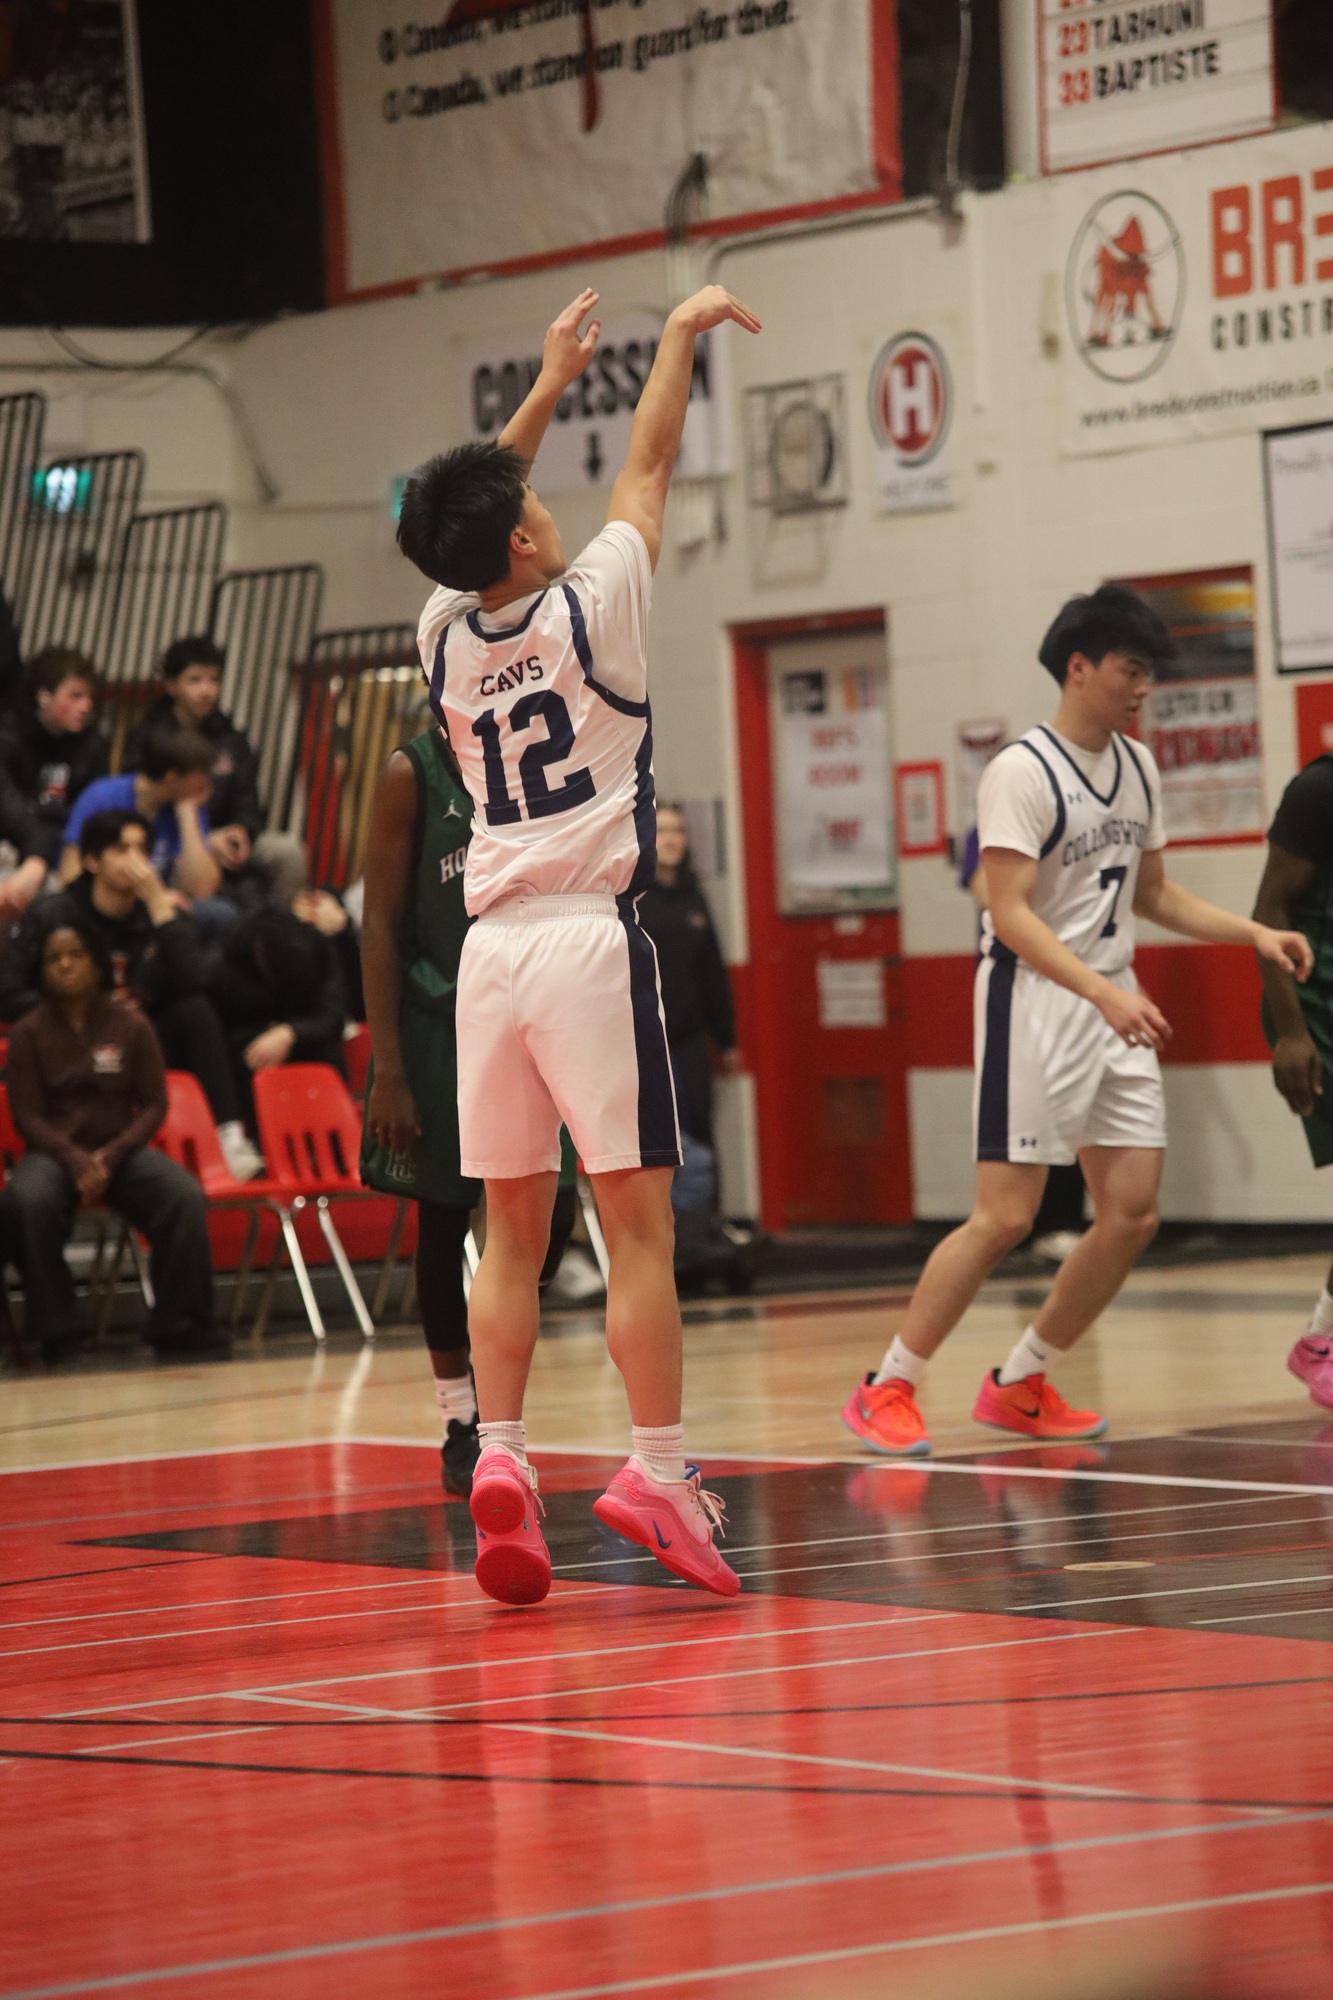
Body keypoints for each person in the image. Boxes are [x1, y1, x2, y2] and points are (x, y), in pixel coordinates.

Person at [398, 282, 761, 1606]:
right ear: (522, 534)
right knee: (636, 1227)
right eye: (528, 504)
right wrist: (679, 339)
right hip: (587, 942)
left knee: (509, 1230)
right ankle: (657, 1472)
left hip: (488, 955)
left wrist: (546, 387)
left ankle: (499, 1447)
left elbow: (471, 524)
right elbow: (649, 462)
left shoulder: (441, 636)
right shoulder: (593, 601)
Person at [840, 584, 1312, 1457]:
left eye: (1149, 672)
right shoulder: (1021, 771)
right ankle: (886, 1386)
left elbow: (1154, 893)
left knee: (1131, 1213)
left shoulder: (1137, 767)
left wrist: (1250, 932)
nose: (1143, 688)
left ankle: (1021, 1380)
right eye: (1132, 669)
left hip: (1109, 998)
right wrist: (1100, 993)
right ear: (1079, 667)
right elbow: (1008, 912)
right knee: (1003, 1218)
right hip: (1035, 1001)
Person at [357, 727, 577, 1499]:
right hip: (438, 1026)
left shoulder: (532, 754)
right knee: (443, 1218)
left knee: (553, 1218)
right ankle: (461, 1417)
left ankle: (493, 1387)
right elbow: (379, 924)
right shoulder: (410, 772)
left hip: (528, 1013)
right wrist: (390, 1070)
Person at [7, 911, 223, 1364]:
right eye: (54, 959)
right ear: (41, 970)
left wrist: (114, 1154)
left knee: (182, 1194)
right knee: (28, 1199)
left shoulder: (132, 1025)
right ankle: (57, 1332)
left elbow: (155, 1104)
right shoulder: (28, 1033)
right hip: (53, 1153)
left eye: (76, 955)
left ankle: (180, 1323)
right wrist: (74, 1158)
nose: (65, 965)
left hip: (119, 1150)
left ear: (97, 962)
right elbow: (26, 1115)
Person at [0, 810, 263, 1180]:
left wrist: (161, 908)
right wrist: (87, 1007)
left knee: (196, 1011)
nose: (136, 861)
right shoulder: (54, 914)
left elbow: (195, 980)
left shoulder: (155, 912)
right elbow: (9, 993)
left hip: (137, 1042)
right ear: (92, 861)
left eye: (142, 850)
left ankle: (229, 1138)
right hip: (67, 1038)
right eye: (122, 850)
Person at [958, 818, 1087, 1264]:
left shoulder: (1076, 820)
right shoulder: (992, 824)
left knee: (1074, 1105)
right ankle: (1029, 1222)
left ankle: (1064, 1220)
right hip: (1019, 987)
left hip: (1074, 979)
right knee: (1026, 1118)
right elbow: (988, 893)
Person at [1252, 755, 1333, 1410]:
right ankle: (1320, 1343)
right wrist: (1291, 1034)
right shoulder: (1320, 788)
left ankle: (1320, 1336)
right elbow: (1269, 911)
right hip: (1316, 1005)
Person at [130, 636, 307, 912]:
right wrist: (205, 838)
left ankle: (283, 929)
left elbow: (248, 801)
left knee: (287, 851)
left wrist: (241, 830)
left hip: (227, 837)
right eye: (195, 680)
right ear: (171, 685)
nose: (206, 690)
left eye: (213, 680)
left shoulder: (233, 740)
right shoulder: (148, 735)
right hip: (172, 837)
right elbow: (142, 798)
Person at [636, 801, 738, 1150]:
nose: (671, 839)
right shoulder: (635, 899)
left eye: (678, 831)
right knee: (655, 1133)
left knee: (699, 1127)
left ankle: (705, 1188)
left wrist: (726, 1038)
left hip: (689, 1035)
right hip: (646, 1035)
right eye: (662, 831)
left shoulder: (694, 898)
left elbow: (711, 970)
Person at [210, 902, 348, 1119]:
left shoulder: (314, 945)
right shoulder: (225, 965)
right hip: (248, 1045)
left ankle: (335, 1126)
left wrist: (290, 1032)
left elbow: (334, 1015)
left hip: (302, 1037)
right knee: (248, 1052)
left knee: (326, 1048)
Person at [60, 726, 220, 901]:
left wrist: (187, 815)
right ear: (172, 777)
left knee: (216, 911)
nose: (207, 783)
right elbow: (70, 873)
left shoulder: (188, 804)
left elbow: (202, 889)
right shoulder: (102, 797)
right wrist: (155, 898)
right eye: (200, 775)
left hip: (159, 903)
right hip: (103, 902)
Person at [0, 645, 108, 889]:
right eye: (75, 696)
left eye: (90, 697)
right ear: (44, 696)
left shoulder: (93, 745)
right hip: (11, 841)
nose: (86, 706)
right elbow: (9, 808)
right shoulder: (8, 736)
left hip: (65, 848)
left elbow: (93, 812)